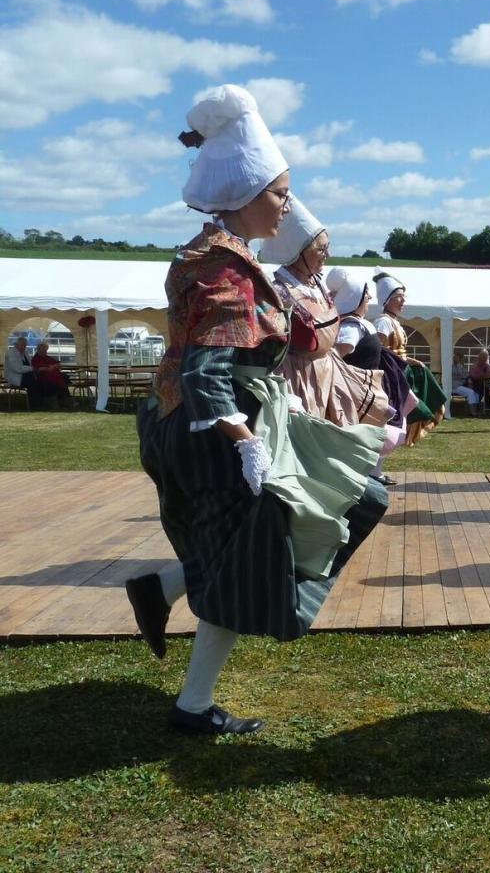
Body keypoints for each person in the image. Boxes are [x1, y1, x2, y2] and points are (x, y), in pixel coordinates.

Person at [125, 85, 388, 736]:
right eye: (279, 193)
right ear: (243, 196)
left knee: (235, 557)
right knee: (251, 558)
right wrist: (244, 441)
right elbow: (207, 370)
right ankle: (190, 704)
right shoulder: (226, 271)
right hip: (213, 436)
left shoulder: (217, 256)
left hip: (184, 426)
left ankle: (160, 593)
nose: (286, 206)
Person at [260, 198, 392, 432]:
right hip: (297, 383)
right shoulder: (279, 291)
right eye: (321, 248)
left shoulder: (317, 286)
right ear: (298, 251)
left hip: (328, 377)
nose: (327, 254)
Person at [325, 266, 415, 486]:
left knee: (379, 432)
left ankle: (368, 475)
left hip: (368, 387)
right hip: (357, 390)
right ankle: (357, 480)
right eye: (366, 296)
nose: (370, 299)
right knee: (364, 436)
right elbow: (338, 353)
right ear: (355, 298)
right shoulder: (351, 326)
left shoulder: (360, 323)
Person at [373, 272, 447, 444]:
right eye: (398, 297)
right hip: (391, 377)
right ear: (387, 299)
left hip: (400, 373)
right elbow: (378, 350)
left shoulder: (394, 321)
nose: (403, 301)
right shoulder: (383, 322)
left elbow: (397, 351)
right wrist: (404, 361)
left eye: (403, 297)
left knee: (410, 411)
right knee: (402, 415)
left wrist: (410, 361)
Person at [29, 341, 73, 408]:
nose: (44, 352)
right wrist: (49, 368)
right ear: (38, 350)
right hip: (43, 378)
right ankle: (58, 403)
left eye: (45, 350)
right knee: (55, 383)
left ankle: (67, 402)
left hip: (54, 377)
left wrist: (53, 366)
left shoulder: (47, 357)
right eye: (43, 350)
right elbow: (38, 368)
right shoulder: (35, 358)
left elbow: (57, 364)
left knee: (62, 382)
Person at [4, 336, 42, 409]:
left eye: (25, 345)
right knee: (33, 383)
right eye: (22, 345)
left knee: (39, 381)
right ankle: (33, 405)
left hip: (26, 376)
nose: (23, 347)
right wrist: (32, 368)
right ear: (16, 345)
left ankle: (37, 404)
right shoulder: (10, 353)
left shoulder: (25, 353)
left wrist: (34, 369)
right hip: (15, 377)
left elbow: (30, 365)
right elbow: (17, 368)